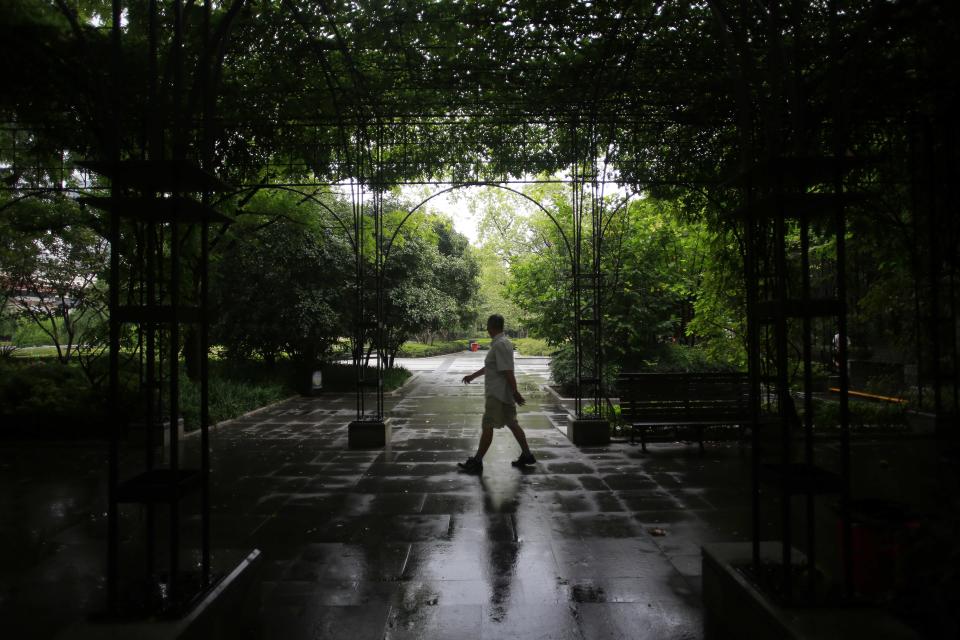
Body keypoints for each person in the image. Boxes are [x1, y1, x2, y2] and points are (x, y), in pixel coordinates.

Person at [458, 314, 536, 473]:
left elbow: (507, 372)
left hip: (498, 394)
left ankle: (477, 461)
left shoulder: (500, 345)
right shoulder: (502, 343)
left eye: (487, 325)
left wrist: (515, 392)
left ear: (491, 327)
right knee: (513, 424)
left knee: (488, 425)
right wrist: (473, 376)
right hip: (502, 393)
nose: (486, 329)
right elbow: (493, 367)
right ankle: (527, 455)